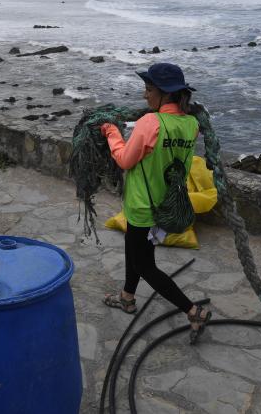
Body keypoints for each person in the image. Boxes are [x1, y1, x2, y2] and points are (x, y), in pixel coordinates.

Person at [99, 62, 212, 344]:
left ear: (164, 94)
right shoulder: (191, 124)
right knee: (134, 249)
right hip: (165, 204)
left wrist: (112, 133)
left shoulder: (151, 123)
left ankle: (193, 310)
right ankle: (127, 297)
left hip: (142, 206)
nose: (144, 96)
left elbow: (125, 160)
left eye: (148, 90)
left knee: (145, 265)